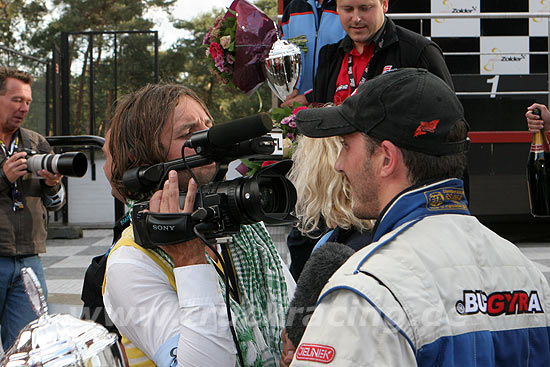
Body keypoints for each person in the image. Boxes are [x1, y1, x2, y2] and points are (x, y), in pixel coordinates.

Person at [288, 68, 550, 366]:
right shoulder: (529, 277)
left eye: (346, 146)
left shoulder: (367, 288)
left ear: (386, 158)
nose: (338, 164)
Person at [102, 84, 295, 367]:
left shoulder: (240, 227)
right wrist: (189, 260)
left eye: (208, 127)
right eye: (187, 133)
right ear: (142, 156)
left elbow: (290, 308)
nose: (208, 142)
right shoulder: (130, 261)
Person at [0, 67, 65, 351]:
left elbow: (56, 203)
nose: (24, 108)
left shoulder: (36, 142)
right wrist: (4, 177)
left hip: (29, 259)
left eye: (27, 101)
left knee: (32, 348)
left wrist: (52, 185)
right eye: (16, 100)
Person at [301, 0, 453, 105]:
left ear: (384, 4)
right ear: (337, 9)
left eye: (365, 8)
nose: (356, 18)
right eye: (347, 9)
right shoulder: (329, 56)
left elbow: (450, 119)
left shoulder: (419, 51)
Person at [280, 0, 346, 107]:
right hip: (296, 106)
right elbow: (282, 59)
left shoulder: (348, 7)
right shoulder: (293, 8)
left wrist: (311, 97)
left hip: (336, 105)